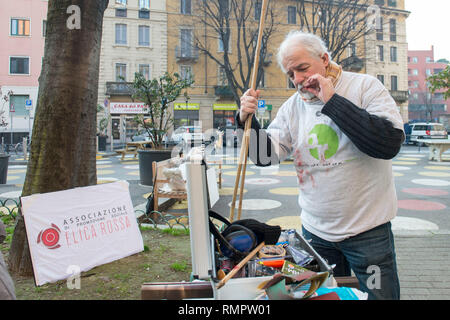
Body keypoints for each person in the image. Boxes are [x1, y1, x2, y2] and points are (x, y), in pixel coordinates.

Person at [238, 31, 404, 300]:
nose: (299, 79)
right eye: (291, 74)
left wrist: (333, 101)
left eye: (303, 68)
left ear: (324, 59)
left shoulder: (365, 87)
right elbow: (265, 157)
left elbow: (387, 144)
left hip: (368, 233)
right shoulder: (292, 107)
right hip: (316, 234)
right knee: (322, 298)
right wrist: (246, 120)